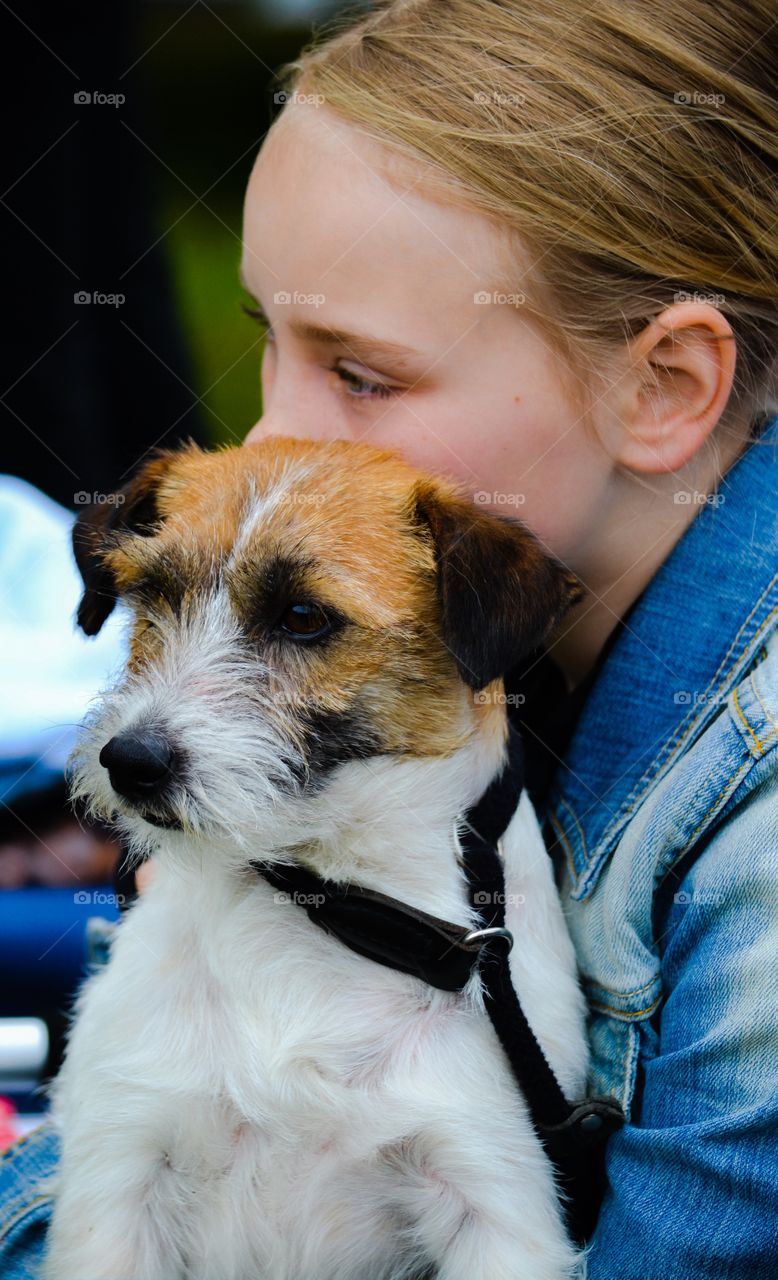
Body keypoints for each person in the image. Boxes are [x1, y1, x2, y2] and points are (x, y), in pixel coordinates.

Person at [2, 2, 776, 1277]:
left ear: (662, 387)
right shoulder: (505, 631)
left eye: (362, 373)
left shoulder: (754, 821)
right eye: (269, 337)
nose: (272, 437)